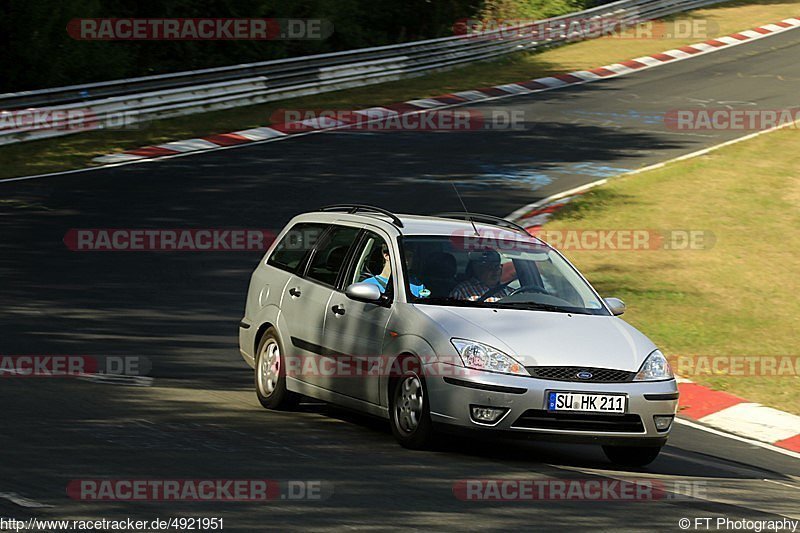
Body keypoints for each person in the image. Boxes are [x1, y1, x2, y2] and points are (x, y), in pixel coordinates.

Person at [364, 244, 429, 298]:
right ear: (386, 256)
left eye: (410, 256)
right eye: (402, 256)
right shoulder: (368, 285)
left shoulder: (418, 285)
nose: (407, 260)